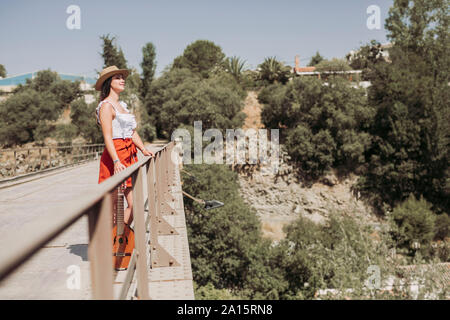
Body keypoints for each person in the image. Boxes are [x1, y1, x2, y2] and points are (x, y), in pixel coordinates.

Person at [95, 65, 154, 225]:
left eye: (123, 77)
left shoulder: (123, 106)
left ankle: (118, 240)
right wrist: (115, 161)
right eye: (117, 78)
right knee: (112, 206)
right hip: (116, 156)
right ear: (109, 82)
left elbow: (132, 132)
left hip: (130, 155)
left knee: (135, 205)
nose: (122, 80)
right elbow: (107, 136)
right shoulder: (106, 106)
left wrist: (143, 149)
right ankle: (112, 244)